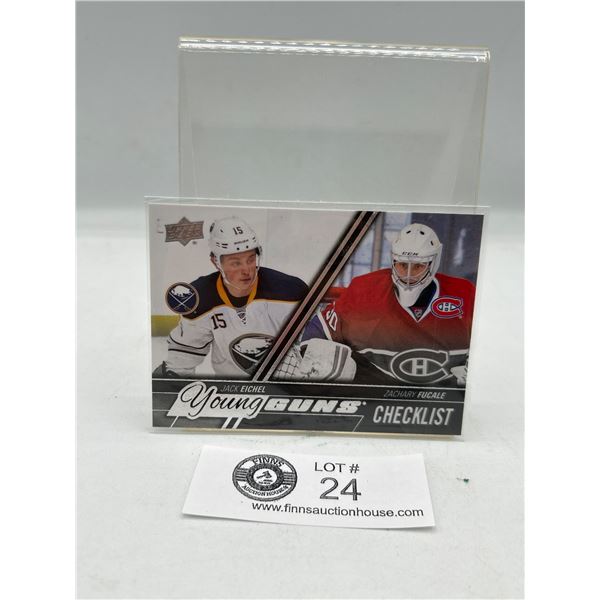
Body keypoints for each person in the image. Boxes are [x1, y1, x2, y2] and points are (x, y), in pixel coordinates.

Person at [299, 223, 475, 386]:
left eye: (418, 267)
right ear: (393, 261)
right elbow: (317, 331)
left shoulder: (464, 294)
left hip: (435, 400)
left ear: (433, 264)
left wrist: (478, 365)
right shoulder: (364, 291)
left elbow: (489, 343)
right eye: (402, 265)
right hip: (375, 396)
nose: (408, 275)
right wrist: (323, 364)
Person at [154, 217, 308, 378]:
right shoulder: (200, 298)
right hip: (231, 390)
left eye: (250, 259)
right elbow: (182, 358)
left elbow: (314, 346)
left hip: (285, 386)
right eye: (236, 263)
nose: (247, 270)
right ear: (216, 262)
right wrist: (171, 380)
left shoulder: (290, 292)